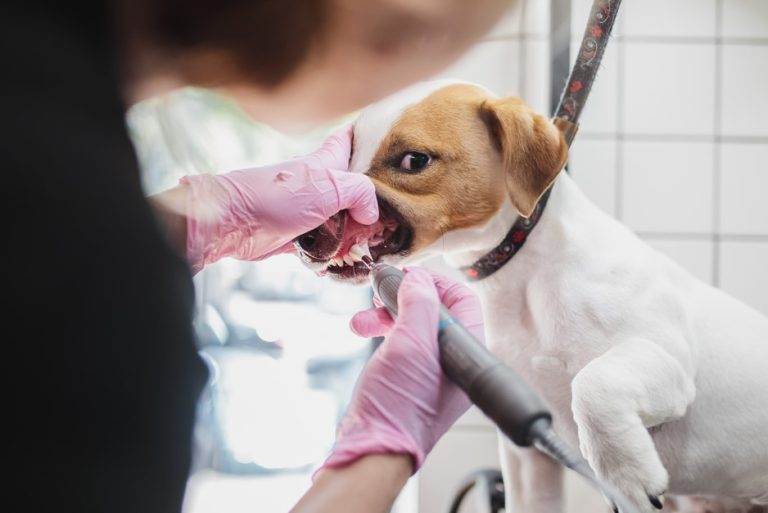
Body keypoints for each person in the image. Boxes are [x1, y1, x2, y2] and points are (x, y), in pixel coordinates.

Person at [3, 1, 512, 512]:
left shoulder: (35, 98)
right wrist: (385, 446)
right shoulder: (92, 274)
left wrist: (208, 215)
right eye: (424, 45)